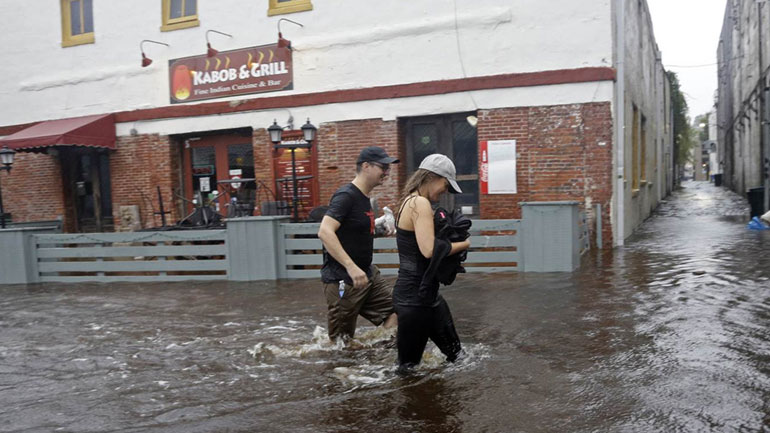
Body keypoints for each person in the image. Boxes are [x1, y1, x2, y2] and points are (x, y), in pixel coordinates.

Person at [392, 153, 471, 371]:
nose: (444, 192)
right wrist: (464, 244)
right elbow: (428, 250)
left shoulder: (410, 200)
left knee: (458, 357)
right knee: (407, 370)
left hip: (426, 295)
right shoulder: (419, 203)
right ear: (432, 177)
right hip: (413, 300)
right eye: (445, 186)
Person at [317, 146, 399, 342]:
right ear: (366, 166)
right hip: (343, 280)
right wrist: (351, 267)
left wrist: (378, 230)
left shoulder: (364, 199)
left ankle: (380, 362)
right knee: (341, 345)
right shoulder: (346, 196)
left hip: (367, 275)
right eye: (383, 167)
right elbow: (325, 231)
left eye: (388, 168)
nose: (387, 172)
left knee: (397, 312)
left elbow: (352, 232)